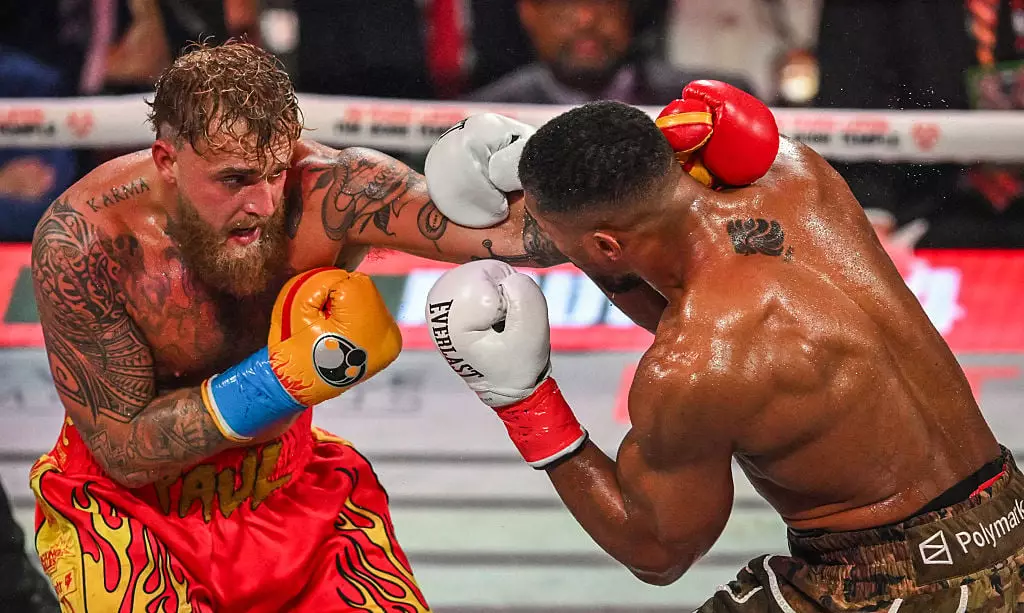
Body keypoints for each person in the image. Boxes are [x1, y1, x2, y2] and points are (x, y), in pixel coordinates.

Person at [420, 81, 1023, 610]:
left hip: (895, 589)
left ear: (605, 246)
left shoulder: (694, 367)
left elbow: (657, 550)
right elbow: (679, 276)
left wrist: (523, 402)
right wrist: (552, 170)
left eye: (555, 240)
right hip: (1011, 515)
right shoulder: (797, 171)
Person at [28, 40, 564, 613]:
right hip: (133, 517)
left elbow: (519, 238)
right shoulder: (88, 239)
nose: (262, 202)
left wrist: (557, 171)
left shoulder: (332, 192)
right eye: (234, 179)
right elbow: (123, 450)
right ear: (167, 160)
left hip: (293, 490)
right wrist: (277, 381)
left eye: (276, 171)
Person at [468, 0, 751, 105]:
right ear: (529, 11)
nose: (586, 19)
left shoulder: (715, 102)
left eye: (604, 2)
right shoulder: (481, 113)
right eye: (566, 4)